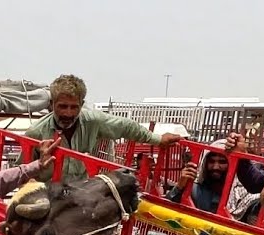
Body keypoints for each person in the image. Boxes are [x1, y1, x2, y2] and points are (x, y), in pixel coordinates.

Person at [26, 74, 180, 182]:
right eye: (62, 106)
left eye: (74, 107)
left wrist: (158, 139)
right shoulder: (36, 132)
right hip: (47, 195)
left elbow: (126, 126)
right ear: (52, 104)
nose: (68, 113)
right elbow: (23, 171)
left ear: (81, 104)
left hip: (78, 193)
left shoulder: (92, 121)